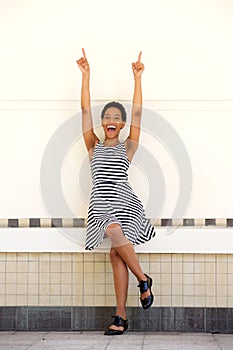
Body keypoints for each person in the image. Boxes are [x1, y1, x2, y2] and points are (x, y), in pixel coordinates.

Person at [76, 49, 156, 335]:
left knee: (114, 243)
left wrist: (137, 78)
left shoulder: (128, 146)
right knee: (113, 244)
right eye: (106, 117)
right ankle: (133, 295)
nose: (111, 120)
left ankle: (131, 298)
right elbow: (85, 111)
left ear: (121, 125)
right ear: (103, 124)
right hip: (101, 202)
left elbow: (137, 112)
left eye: (116, 117)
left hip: (124, 201)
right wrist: (86, 76)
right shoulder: (93, 144)